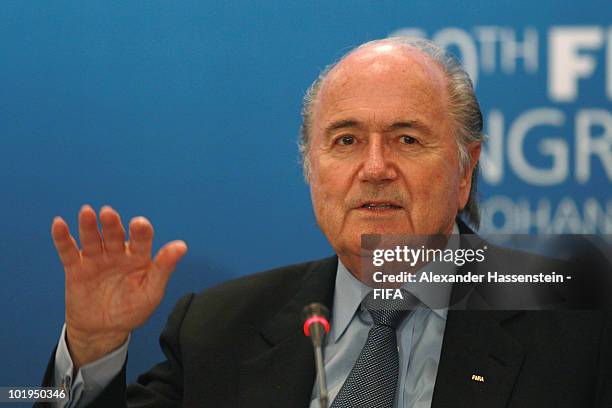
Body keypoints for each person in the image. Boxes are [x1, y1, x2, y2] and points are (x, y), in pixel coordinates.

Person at [39, 38, 611, 407]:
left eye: (408, 139)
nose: (376, 168)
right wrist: (92, 349)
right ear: (311, 169)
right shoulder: (218, 329)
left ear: (466, 171)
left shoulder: (578, 317)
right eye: (346, 140)